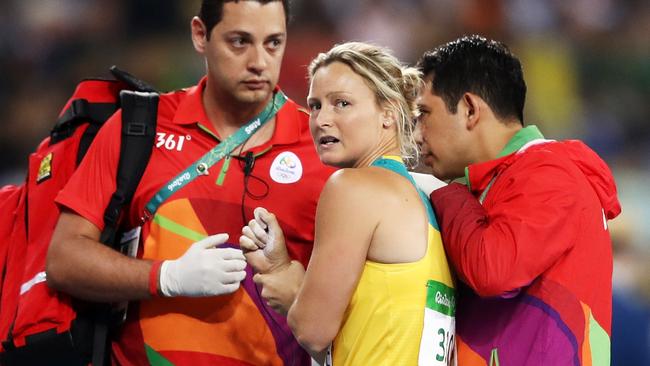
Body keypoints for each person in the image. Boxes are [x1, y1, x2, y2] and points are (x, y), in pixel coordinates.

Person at [46, 1, 334, 365]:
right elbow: (64, 259)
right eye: (240, 42)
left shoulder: (321, 149)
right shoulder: (138, 128)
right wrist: (166, 277)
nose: (259, 61)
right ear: (200, 35)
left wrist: (299, 290)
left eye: (273, 43)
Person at [240, 42, 456, 365]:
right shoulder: (425, 199)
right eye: (314, 106)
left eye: (341, 103)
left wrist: (284, 277)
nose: (321, 119)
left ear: (388, 113)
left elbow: (313, 331)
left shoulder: (351, 188)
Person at [414, 35, 621, 365]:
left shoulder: (551, 171)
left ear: (469, 109)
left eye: (424, 113)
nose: (417, 133)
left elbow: (494, 270)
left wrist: (442, 190)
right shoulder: (498, 182)